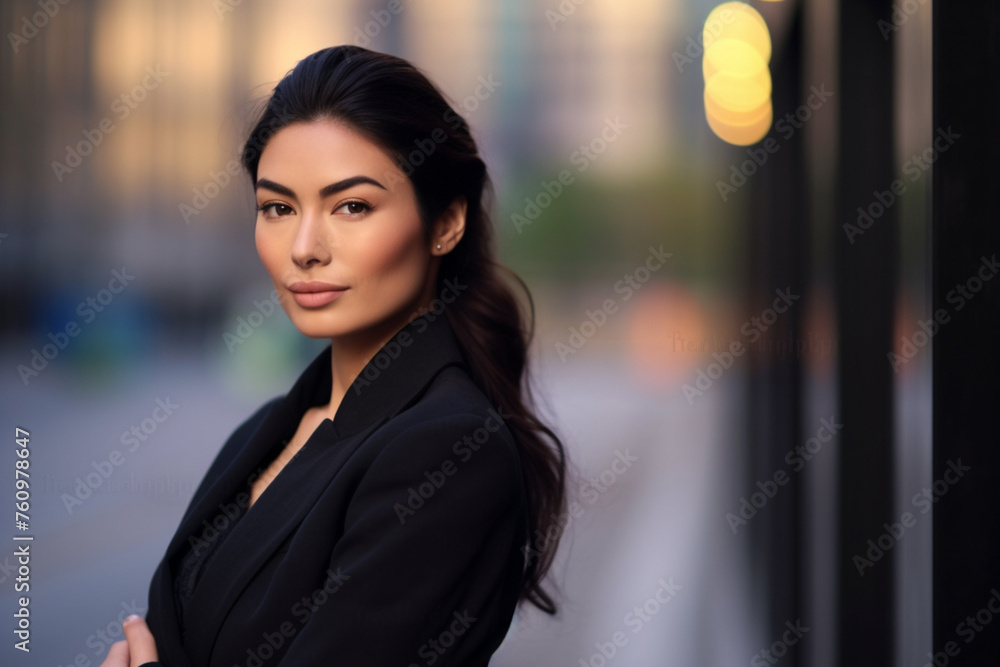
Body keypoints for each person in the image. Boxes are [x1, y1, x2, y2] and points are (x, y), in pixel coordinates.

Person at [99, 45, 567, 667]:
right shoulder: (265, 431)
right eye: (278, 208)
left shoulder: (451, 452)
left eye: (352, 206)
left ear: (447, 221)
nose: (304, 247)